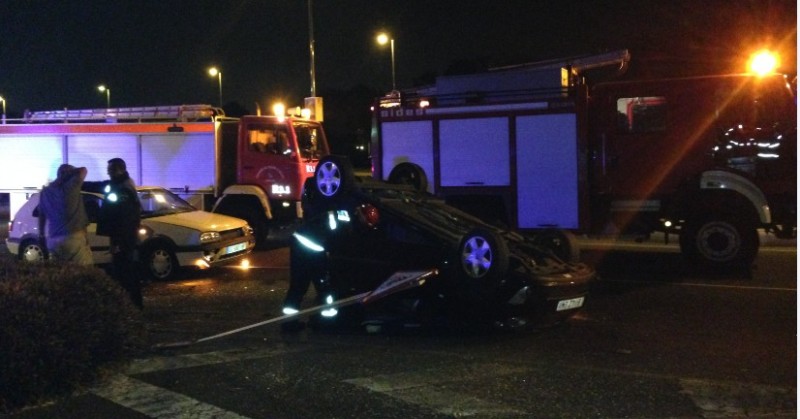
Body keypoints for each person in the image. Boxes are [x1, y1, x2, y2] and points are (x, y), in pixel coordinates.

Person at [94, 158, 143, 308]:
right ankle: (131, 304)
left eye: (111, 170)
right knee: (125, 270)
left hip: (124, 239)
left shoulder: (123, 189)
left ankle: (131, 305)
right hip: (125, 238)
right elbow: (100, 186)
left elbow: (123, 219)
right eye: (108, 169)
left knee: (125, 271)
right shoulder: (121, 184)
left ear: (120, 170)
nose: (108, 172)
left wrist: (117, 242)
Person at [37, 164, 93, 265]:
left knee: (60, 271)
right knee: (83, 270)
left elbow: (42, 215)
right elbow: (83, 170)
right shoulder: (71, 187)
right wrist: (71, 172)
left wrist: (41, 235)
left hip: (53, 239)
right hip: (73, 237)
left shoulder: (45, 192)